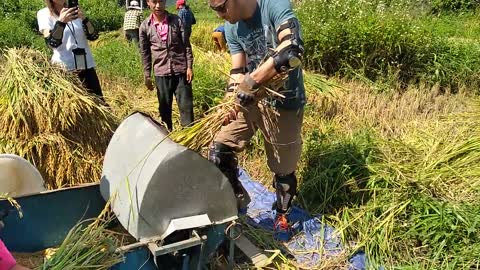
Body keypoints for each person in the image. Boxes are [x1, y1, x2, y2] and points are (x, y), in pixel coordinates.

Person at [207, 0, 306, 241]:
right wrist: (229, 101)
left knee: (283, 169)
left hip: (284, 101)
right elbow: (237, 70)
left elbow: (292, 50)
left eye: (221, 7)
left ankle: (283, 215)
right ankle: (236, 202)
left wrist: (253, 81)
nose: (219, 14)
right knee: (219, 149)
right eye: (215, 10)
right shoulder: (230, 27)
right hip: (250, 102)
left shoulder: (273, 5)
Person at [140, 0, 194, 131]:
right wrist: (147, 75)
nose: (158, 5)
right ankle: (168, 137)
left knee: (186, 109)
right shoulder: (145, 26)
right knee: (164, 109)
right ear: (148, 2)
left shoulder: (176, 21)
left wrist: (189, 67)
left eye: (161, 1)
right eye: (154, 2)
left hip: (181, 71)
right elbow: (145, 52)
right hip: (161, 73)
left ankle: (189, 141)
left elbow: (186, 45)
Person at [37, 0, 104, 99]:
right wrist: (61, 22)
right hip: (64, 69)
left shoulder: (75, 11)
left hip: (86, 65)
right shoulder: (44, 13)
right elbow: (52, 43)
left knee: (99, 103)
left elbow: (93, 36)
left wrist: (84, 19)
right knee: (75, 107)